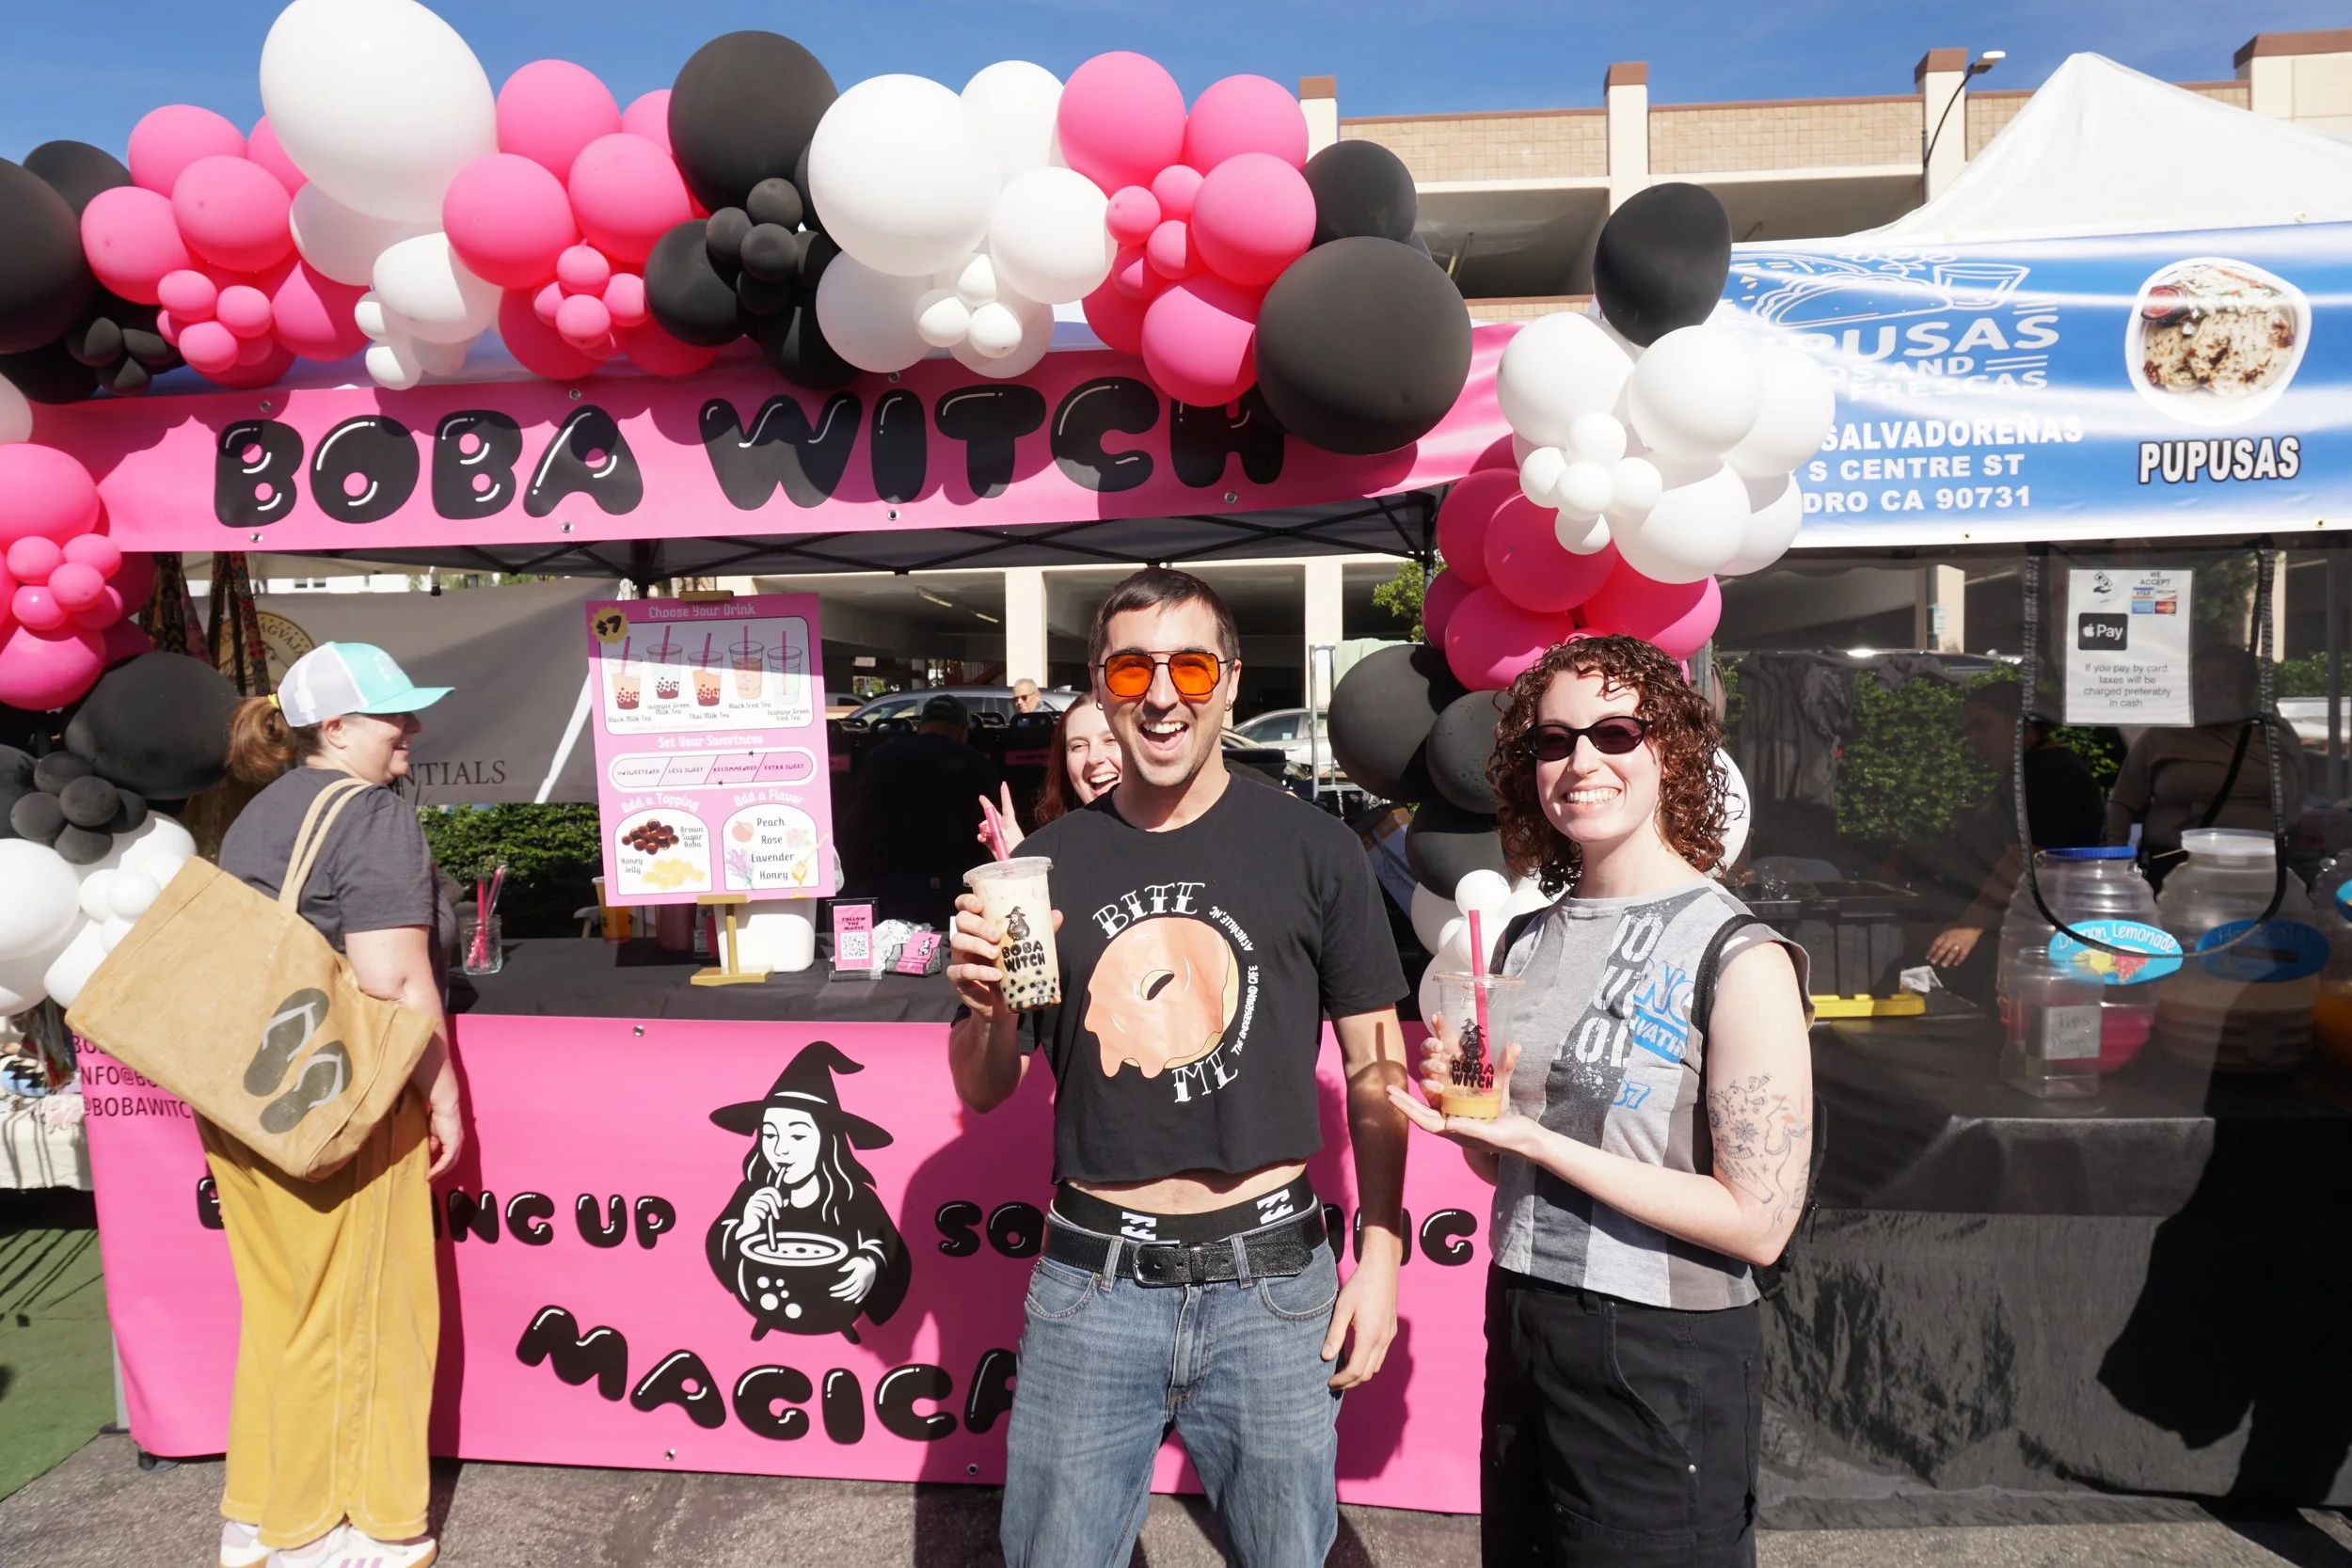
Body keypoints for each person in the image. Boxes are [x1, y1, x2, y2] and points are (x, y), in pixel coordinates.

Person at [946, 567, 1410, 1568]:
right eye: (1133, 667)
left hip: (1274, 1284)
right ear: (1102, 686)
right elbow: (985, 1083)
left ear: (1231, 683)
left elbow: (1375, 1064)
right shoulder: (1045, 865)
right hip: (1091, 1283)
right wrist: (985, 1010)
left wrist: (1381, 1250)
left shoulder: (1317, 849)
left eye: (1191, 664)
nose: (1163, 694)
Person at [1389, 634, 1813, 1568]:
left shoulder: (1735, 955)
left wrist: (1535, 1141)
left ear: (1670, 751)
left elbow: (1758, 1222)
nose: (1582, 760)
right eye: (1552, 740)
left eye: (1615, 732)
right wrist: (1478, 1125)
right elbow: (1499, 1157)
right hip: (1524, 1311)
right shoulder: (1522, 940)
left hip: (1662, 1350)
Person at [209, 642, 462, 1568]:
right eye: (395, 715)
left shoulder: (260, 814)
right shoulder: (372, 814)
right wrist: (445, 1092)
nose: (413, 731)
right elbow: (393, 979)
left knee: (283, 1305)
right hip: (340, 1093)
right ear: (338, 726)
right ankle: (333, 1522)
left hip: (245, 1089)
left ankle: (262, 1507)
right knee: (365, 1306)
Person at [1925, 681, 2106, 970]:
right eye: (1967, 731)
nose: (1972, 739)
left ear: (2022, 725)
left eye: (1983, 726)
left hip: (2041, 933)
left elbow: (2026, 858)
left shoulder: (2048, 773)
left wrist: (1972, 925)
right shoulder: (2027, 771)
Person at [2107, 646, 2307, 880]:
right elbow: (2123, 801)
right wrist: (2116, 862)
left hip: (2260, 867)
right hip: (2179, 865)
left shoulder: (2273, 734)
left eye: (2222, 683)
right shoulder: (2164, 735)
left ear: (2247, 690)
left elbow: (2296, 800)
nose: (2208, 691)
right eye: (2200, 683)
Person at [840, 693, 1003, 925]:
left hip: (885, 883)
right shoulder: (977, 764)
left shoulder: (879, 758)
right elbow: (992, 829)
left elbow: (853, 821)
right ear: (963, 731)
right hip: (955, 888)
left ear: (919, 727)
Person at [982, 693, 1124, 855]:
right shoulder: (1056, 849)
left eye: (1111, 740)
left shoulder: (1158, 837)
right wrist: (1020, 864)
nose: (1093, 758)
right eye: (1078, 746)